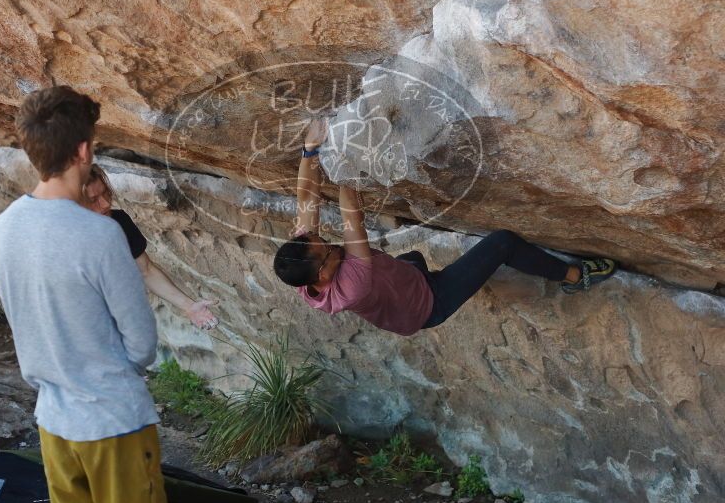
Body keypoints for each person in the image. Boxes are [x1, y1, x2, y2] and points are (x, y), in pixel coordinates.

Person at [0, 86, 167, 503]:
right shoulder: (100, 235)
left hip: (53, 422)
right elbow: (142, 343)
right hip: (113, 421)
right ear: (84, 150)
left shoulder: (2, 231)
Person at [273, 119, 617, 336]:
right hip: (428, 304)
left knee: (412, 259)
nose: (331, 246)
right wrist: (347, 162)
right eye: (328, 252)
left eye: (320, 241)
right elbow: (352, 218)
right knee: (502, 243)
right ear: (321, 276)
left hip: (403, 279)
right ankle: (575, 278)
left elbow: (306, 198)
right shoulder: (354, 285)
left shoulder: (302, 263)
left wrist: (309, 150)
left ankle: (417, 270)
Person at [83, 164, 218, 330]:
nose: (104, 203)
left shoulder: (119, 223)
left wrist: (189, 306)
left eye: (105, 192)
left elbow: (146, 271)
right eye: (93, 200)